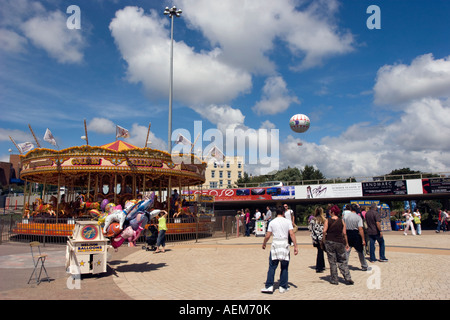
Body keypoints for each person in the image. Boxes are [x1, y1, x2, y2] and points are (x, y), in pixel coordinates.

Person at [261, 207, 298, 294]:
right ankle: (283, 286)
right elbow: (292, 234)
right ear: (283, 213)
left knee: (272, 267)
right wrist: (295, 246)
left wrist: (264, 243)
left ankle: (269, 286)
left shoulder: (272, 222)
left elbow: (268, 235)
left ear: (276, 213)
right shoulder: (288, 222)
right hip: (284, 243)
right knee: (284, 267)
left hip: (275, 244)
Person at [323, 205, 353, 285]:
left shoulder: (327, 220)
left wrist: (323, 240)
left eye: (330, 211)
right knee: (342, 260)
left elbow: (324, 231)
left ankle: (334, 279)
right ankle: (347, 277)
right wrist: (346, 243)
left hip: (330, 241)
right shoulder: (341, 221)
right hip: (340, 242)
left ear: (332, 212)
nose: (329, 212)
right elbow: (344, 233)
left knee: (332, 261)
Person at [343, 204, 368, 271]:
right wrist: (363, 239)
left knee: (347, 251)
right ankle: (364, 265)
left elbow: (343, 226)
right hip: (356, 234)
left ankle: (344, 265)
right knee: (360, 251)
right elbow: (360, 229)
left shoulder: (345, 216)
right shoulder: (358, 217)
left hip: (348, 233)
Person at [308, 206, 326, 273]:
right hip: (322, 237)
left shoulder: (313, 220)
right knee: (321, 252)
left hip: (316, 238)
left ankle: (321, 265)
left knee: (319, 251)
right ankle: (319, 267)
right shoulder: (324, 220)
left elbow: (310, 228)